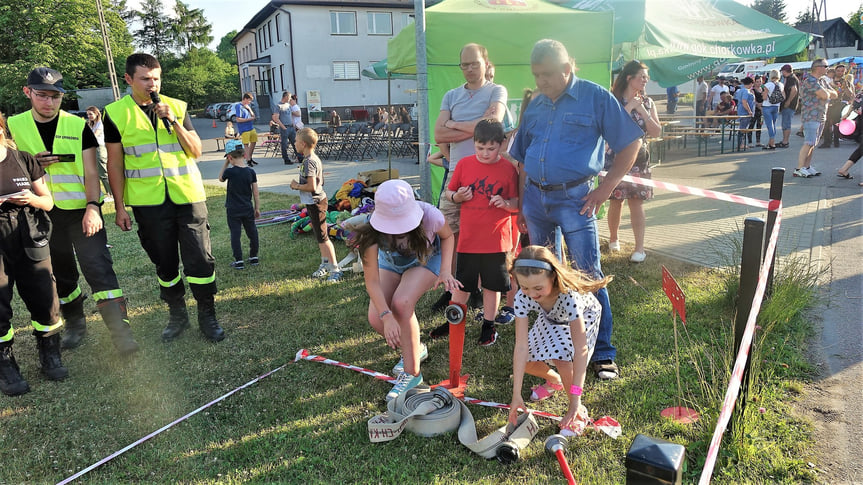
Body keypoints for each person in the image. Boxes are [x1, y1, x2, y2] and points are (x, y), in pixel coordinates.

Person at [509, 39, 643, 381]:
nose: (541, 82)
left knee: (587, 273)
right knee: (543, 275)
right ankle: (553, 346)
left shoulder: (596, 97)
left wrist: (604, 189)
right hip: (536, 201)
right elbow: (523, 157)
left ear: (568, 68)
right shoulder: (536, 104)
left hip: (576, 199)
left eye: (548, 74)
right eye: (537, 75)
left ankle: (601, 353)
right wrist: (523, 201)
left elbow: (632, 143)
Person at [8, 67, 139, 354]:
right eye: (42, 95)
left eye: (55, 96)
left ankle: (121, 333)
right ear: (27, 92)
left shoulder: (77, 125)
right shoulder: (13, 127)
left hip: (81, 212)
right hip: (39, 215)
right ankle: (76, 324)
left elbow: (92, 173)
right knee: (62, 275)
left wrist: (94, 207)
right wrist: (31, 164)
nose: (49, 102)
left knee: (99, 269)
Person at [104, 52, 225, 343]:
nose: (152, 84)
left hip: (188, 197)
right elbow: (114, 164)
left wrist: (175, 122)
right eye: (145, 79)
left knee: (200, 261)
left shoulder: (177, 107)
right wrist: (119, 207)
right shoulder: (115, 113)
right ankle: (177, 314)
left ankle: (207, 314)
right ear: (129, 79)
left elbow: (196, 151)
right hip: (149, 203)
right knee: (165, 264)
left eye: (156, 78)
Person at [350, 179, 458, 401]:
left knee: (402, 302)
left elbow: (447, 236)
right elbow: (372, 282)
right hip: (390, 263)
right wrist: (385, 315)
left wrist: (446, 270)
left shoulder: (431, 216)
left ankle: (413, 375)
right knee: (375, 317)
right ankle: (415, 348)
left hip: (426, 260)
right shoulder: (371, 231)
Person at [428, 119, 519, 346]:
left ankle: (489, 326)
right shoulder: (464, 164)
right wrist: (457, 197)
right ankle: (453, 322)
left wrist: (506, 203)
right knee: (463, 284)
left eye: (491, 148)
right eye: (480, 148)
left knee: (492, 285)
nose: (485, 153)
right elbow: (449, 194)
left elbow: (517, 202)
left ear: (502, 145)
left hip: (497, 241)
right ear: (473, 143)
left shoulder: (508, 169)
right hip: (469, 240)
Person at [431, 42, 507, 310]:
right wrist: (477, 127)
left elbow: (494, 124)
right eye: (464, 65)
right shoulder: (451, 95)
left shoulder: (496, 90)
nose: (470, 69)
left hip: (487, 176)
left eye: (474, 63)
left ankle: (477, 289)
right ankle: (453, 287)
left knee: (481, 236)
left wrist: (452, 124)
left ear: (486, 62)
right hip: (456, 175)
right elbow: (438, 135)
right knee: (449, 232)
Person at [507, 245, 612, 436]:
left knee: (564, 359)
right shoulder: (522, 297)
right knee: (527, 361)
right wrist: (516, 394)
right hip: (551, 316)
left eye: (538, 287)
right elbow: (521, 346)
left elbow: (580, 350)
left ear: (553, 277)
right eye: (524, 287)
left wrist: (575, 400)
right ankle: (554, 381)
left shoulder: (569, 297)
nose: (531, 293)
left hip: (583, 315)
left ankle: (578, 412)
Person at [0, 112, 67, 396]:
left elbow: (48, 202)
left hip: (29, 232)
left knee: (44, 295)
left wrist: (31, 199)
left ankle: (49, 352)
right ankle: (5, 364)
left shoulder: (23, 159)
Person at [604, 60, 661, 263]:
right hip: (616, 158)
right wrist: (629, 108)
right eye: (642, 76)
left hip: (639, 160)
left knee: (636, 202)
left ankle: (639, 248)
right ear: (629, 78)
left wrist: (643, 112)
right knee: (616, 200)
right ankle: (613, 238)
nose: (645, 80)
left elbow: (656, 132)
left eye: (646, 77)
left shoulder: (648, 102)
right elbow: (611, 129)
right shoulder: (613, 100)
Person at [289, 128, 342, 282]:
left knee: (324, 237)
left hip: (316, 203)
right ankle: (325, 264)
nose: (294, 143)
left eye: (296, 141)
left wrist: (295, 186)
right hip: (315, 202)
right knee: (319, 237)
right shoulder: (313, 158)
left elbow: (312, 186)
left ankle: (335, 269)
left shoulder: (308, 162)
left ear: (303, 144)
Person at [794, 59, 837, 178]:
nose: (828, 68)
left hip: (821, 116)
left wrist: (826, 92)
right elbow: (825, 95)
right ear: (818, 67)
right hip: (810, 116)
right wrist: (826, 93)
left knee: (813, 143)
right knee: (808, 142)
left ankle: (807, 166)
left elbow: (835, 94)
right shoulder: (810, 81)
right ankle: (799, 168)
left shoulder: (822, 81)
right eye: (826, 66)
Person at [219, 148, 260, 270]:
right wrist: (256, 208)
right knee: (252, 232)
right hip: (247, 208)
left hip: (233, 209)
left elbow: (220, 178)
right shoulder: (251, 172)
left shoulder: (230, 172)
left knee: (235, 234)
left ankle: (239, 260)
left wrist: (226, 163)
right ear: (244, 155)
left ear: (230, 158)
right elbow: (256, 193)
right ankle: (254, 257)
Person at [821, 64, 854, 148]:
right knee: (826, 123)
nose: (840, 73)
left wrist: (846, 88)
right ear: (835, 71)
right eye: (838, 71)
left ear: (845, 72)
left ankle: (836, 141)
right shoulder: (829, 79)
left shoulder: (845, 81)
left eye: (842, 71)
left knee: (836, 123)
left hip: (837, 104)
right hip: (827, 103)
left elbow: (851, 94)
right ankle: (826, 142)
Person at [837, 89, 863, 183]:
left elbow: (853, 104)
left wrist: (846, 115)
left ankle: (844, 169)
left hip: (860, 121)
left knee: (861, 148)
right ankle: (844, 169)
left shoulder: (860, 93)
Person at [85, 106, 112, 198]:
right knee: (99, 173)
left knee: (104, 172)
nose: (89, 116)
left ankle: (111, 194)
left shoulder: (100, 124)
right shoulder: (92, 124)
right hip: (94, 149)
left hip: (100, 149)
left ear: (96, 113)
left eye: (90, 114)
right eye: (87, 114)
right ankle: (108, 193)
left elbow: (93, 136)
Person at [271, 91, 302, 165]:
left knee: (295, 142)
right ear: (285, 97)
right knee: (284, 144)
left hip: (291, 126)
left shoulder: (288, 105)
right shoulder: (278, 106)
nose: (290, 99)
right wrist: (283, 127)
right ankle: (286, 159)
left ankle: (300, 157)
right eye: (289, 97)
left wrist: (293, 124)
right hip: (285, 127)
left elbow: (291, 115)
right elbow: (276, 118)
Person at [761, 70, 783, 150]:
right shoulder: (781, 85)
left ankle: (772, 142)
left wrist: (762, 94)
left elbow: (765, 97)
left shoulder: (768, 85)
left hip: (767, 106)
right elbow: (783, 96)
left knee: (770, 125)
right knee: (773, 124)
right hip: (776, 106)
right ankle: (770, 142)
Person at [234, 93, 257, 166]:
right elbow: (238, 119)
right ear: (245, 99)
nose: (250, 102)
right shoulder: (239, 106)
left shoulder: (247, 106)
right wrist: (249, 119)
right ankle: (248, 160)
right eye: (249, 100)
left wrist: (249, 109)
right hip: (244, 129)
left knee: (254, 141)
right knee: (246, 144)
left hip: (251, 127)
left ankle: (250, 156)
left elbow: (253, 115)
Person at [779, 64, 799, 148]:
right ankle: (784, 140)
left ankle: (785, 141)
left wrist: (788, 101)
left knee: (786, 123)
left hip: (789, 105)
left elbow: (794, 90)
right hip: (790, 104)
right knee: (785, 122)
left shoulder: (791, 78)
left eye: (782, 71)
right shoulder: (792, 78)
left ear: (784, 71)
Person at [734, 77, 755, 151]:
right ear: (751, 83)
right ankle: (741, 144)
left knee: (742, 127)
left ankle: (741, 143)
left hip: (741, 110)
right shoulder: (746, 91)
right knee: (743, 128)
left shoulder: (740, 90)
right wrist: (749, 111)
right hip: (744, 111)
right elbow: (744, 101)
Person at [749, 75, 764, 147]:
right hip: (754, 110)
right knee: (751, 126)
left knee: (759, 126)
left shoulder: (763, 89)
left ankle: (758, 141)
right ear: (754, 83)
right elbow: (754, 102)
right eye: (757, 82)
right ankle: (750, 142)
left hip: (761, 110)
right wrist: (759, 106)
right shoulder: (752, 90)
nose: (759, 83)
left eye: (760, 81)